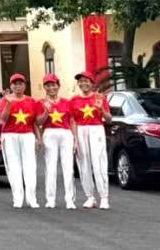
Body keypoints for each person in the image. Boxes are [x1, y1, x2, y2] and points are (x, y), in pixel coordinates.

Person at [71, 70, 111, 209]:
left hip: (96, 129)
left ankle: (104, 197)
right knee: (83, 165)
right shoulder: (74, 100)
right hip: (80, 130)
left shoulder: (99, 97)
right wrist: (75, 140)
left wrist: (102, 110)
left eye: (86, 81)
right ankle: (90, 197)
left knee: (99, 163)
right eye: (81, 81)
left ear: (92, 83)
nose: (83, 83)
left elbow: (109, 119)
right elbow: (73, 121)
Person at [0, 73, 41, 208]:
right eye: (15, 84)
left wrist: (38, 138)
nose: (18, 86)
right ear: (11, 86)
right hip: (10, 135)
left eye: (20, 84)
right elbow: (3, 119)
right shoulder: (5, 100)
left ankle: (31, 199)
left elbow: (35, 122)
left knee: (30, 166)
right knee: (14, 167)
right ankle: (17, 198)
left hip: (27, 135)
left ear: (25, 85)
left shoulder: (32, 101)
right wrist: (8, 104)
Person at [37, 73, 77, 209]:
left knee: (68, 167)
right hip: (49, 132)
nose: (51, 88)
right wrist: (46, 112)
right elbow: (38, 122)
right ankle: (50, 199)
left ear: (58, 86)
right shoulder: (40, 103)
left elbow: (72, 121)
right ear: (44, 87)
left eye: (53, 85)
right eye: (48, 85)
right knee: (51, 167)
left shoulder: (66, 102)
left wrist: (75, 139)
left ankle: (70, 200)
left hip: (66, 133)